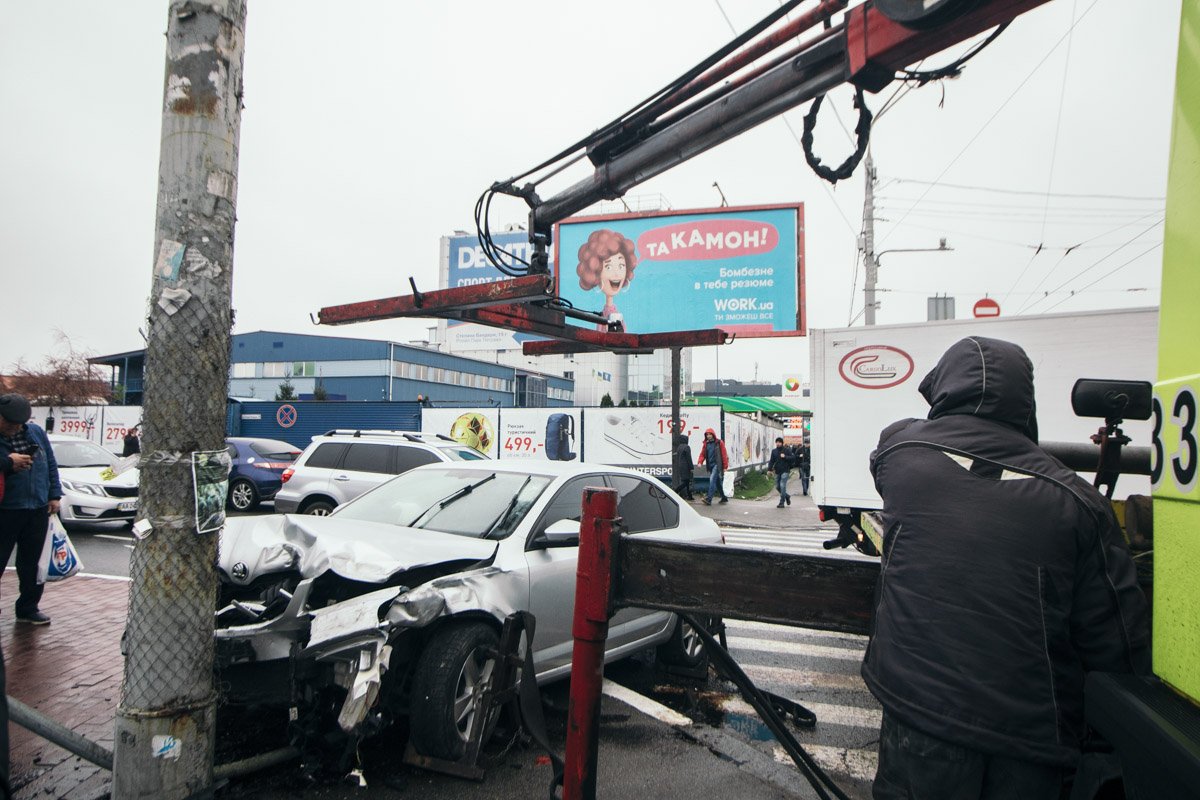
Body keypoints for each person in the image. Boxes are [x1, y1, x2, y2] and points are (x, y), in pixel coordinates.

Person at [863, 337, 1149, 800]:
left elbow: (895, 440)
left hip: (915, 716)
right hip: (1030, 739)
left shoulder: (902, 456)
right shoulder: (1079, 502)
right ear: (1025, 403)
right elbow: (1116, 641)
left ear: (943, 390)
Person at [0, 394, 62, 626]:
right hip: (5, 509)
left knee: (33, 563)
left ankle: (28, 607)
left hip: (36, 508)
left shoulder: (36, 433)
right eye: (8, 423)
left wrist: (54, 494)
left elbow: (51, 465)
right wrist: (9, 463)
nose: (14, 428)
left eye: (18, 424)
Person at [574, 228, 638, 331]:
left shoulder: (615, 316)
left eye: (621, 266)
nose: (616, 273)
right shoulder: (603, 314)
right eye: (608, 267)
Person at [696, 428, 728, 506]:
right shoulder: (706, 444)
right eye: (707, 434)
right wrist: (700, 462)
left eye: (710, 434)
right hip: (711, 466)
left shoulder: (719, 443)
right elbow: (702, 454)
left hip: (717, 465)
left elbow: (724, 455)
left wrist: (725, 467)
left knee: (712, 480)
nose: (708, 436)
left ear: (713, 434)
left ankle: (708, 499)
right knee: (717, 483)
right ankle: (724, 497)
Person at [768, 437, 792, 508]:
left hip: (785, 470)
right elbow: (771, 461)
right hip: (777, 471)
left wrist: (785, 456)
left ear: (782, 443)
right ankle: (787, 496)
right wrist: (769, 469)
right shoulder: (774, 451)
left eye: (779, 442)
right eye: (777, 442)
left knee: (782, 485)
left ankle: (782, 502)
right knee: (777, 487)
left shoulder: (786, 450)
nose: (778, 443)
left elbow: (793, 458)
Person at [672, 433, 694, 501]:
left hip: (680, 466)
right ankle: (676, 491)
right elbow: (689, 458)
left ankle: (690, 496)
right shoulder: (687, 447)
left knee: (686, 481)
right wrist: (691, 467)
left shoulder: (679, 447)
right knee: (686, 482)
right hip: (686, 466)